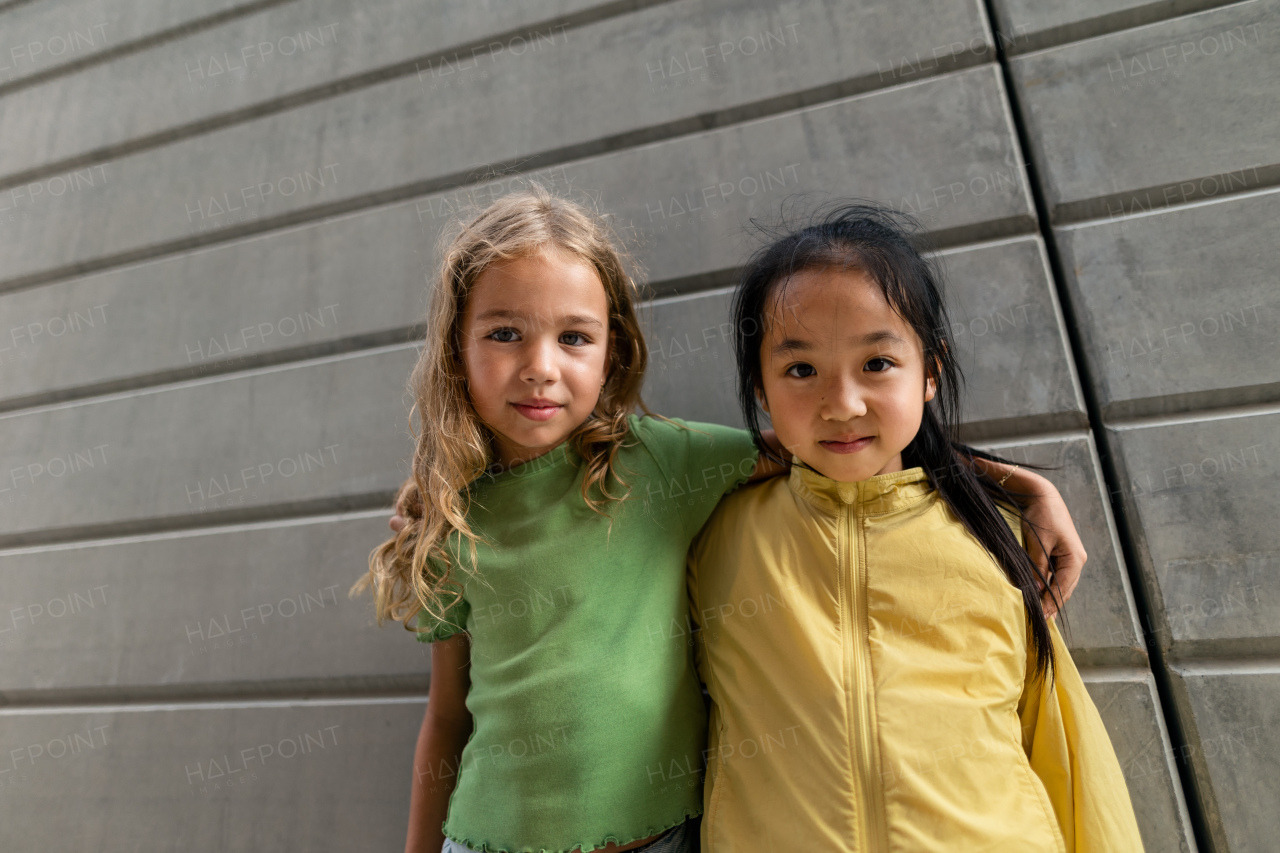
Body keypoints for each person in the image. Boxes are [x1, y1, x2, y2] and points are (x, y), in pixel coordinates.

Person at [360, 187, 1089, 853]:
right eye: (504, 333)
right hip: (489, 840)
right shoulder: (446, 518)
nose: (541, 366)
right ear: (456, 346)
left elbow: (834, 442)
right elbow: (448, 716)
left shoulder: (662, 461)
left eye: (574, 337)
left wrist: (1016, 485)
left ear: (614, 350)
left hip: (660, 839)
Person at [686, 202, 1143, 851]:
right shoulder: (716, 535)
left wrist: (1007, 487)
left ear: (930, 370)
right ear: (760, 390)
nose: (842, 404)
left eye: (877, 363)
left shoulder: (991, 536)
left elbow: (1064, 745)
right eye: (800, 369)